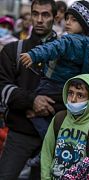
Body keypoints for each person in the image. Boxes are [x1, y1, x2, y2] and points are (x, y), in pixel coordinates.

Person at [19, 0, 89, 139]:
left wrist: (33, 54)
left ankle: (48, 140)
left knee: (33, 107)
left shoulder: (70, 40)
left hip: (52, 84)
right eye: (67, 18)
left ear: (84, 24)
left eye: (74, 20)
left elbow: (53, 47)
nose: (68, 22)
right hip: (68, 88)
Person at [0, 0, 58, 179]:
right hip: (19, 134)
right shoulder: (13, 50)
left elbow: (73, 93)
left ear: (55, 18)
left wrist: (47, 110)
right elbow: (2, 87)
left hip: (51, 138)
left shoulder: (65, 54)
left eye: (46, 15)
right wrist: (31, 101)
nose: (39, 19)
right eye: (35, 14)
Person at [41, 74, 89, 179]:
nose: (73, 99)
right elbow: (47, 152)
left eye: (80, 95)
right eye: (70, 93)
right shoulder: (59, 118)